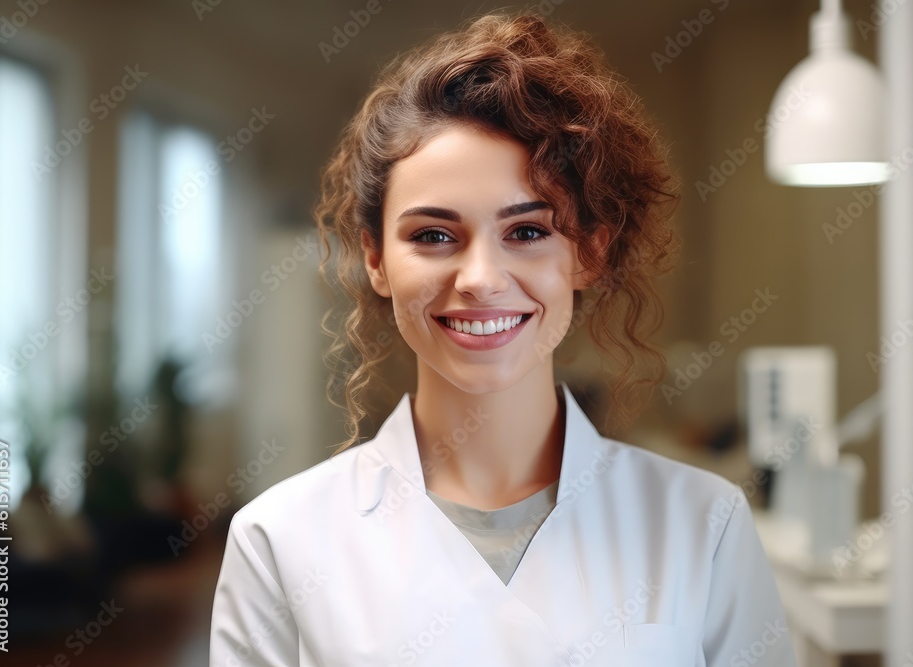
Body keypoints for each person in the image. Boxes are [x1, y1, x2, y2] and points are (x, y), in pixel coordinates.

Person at [210, 10, 797, 666]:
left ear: (589, 253)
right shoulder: (279, 542)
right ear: (375, 258)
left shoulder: (701, 527)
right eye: (433, 235)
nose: (481, 279)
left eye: (527, 231)